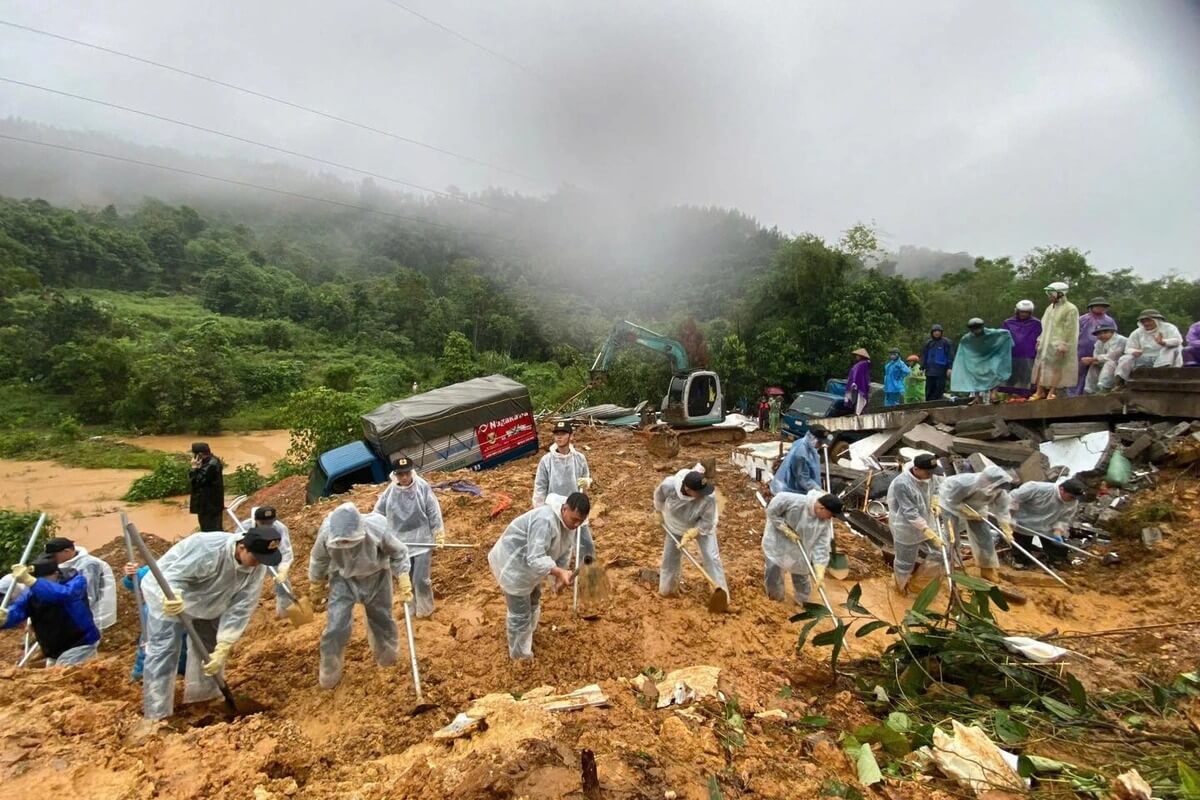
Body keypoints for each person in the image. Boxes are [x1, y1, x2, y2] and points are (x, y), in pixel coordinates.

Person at [140, 525, 281, 721]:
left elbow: (242, 606)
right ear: (242, 548)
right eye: (256, 558)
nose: (258, 564)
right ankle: (157, 715)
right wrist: (172, 594)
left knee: (210, 647)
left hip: (209, 603)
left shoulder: (256, 567)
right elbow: (170, 575)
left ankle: (204, 698)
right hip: (170, 596)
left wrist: (225, 643)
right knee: (164, 651)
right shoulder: (206, 548)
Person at [309, 502, 412, 688]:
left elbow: (399, 553)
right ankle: (329, 671)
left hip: (377, 577)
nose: (346, 545)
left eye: (350, 541)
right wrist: (316, 583)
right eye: (342, 542)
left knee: (382, 619)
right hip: (343, 581)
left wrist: (403, 575)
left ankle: (387, 658)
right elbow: (318, 559)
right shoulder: (326, 533)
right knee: (336, 625)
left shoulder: (376, 528)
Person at [488, 492, 589, 661]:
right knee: (520, 612)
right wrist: (558, 572)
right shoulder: (545, 520)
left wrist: (559, 579)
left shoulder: (570, 525)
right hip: (514, 564)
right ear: (564, 509)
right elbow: (534, 557)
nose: (576, 524)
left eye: (580, 521)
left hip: (531, 568)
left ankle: (529, 633)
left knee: (534, 597)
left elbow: (563, 551)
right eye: (574, 519)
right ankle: (520, 657)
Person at [373, 456, 445, 618]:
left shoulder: (422, 487)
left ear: (411, 472)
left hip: (422, 539)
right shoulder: (390, 492)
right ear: (395, 475)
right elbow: (377, 514)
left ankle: (425, 610)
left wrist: (438, 532)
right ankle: (411, 609)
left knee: (421, 579)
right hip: (400, 542)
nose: (404, 478)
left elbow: (432, 509)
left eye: (406, 473)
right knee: (407, 580)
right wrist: (378, 535)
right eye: (400, 475)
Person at [0, 554, 100, 666]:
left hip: (79, 644)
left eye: (42, 580)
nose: (39, 583)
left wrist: (32, 582)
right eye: (37, 580)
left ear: (56, 574)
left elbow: (59, 595)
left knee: (67, 679)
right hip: (53, 650)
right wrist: (6, 618)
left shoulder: (74, 581)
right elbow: (18, 610)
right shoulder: (32, 592)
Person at [761, 491, 845, 604]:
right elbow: (772, 511)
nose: (831, 518)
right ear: (821, 508)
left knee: (801, 571)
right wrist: (784, 528)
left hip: (801, 548)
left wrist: (819, 571)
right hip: (777, 542)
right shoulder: (792, 501)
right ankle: (776, 600)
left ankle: (802, 602)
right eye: (831, 514)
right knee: (774, 570)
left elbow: (821, 546)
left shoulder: (824, 523)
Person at [654, 469, 727, 598]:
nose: (703, 494)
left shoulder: (708, 497)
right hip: (675, 524)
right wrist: (658, 511)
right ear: (687, 489)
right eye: (699, 492)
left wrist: (693, 532)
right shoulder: (669, 486)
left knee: (711, 557)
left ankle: (721, 595)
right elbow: (659, 497)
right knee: (670, 557)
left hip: (701, 525)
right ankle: (668, 590)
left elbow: (708, 522)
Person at [937, 465, 1014, 584]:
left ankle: (986, 569)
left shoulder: (999, 491)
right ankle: (954, 564)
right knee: (952, 535)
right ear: (986, 480)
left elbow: (1002, 510)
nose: (998, 489)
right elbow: (952, 501)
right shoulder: (963, 484)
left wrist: (1006, 528)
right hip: (950, 504)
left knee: (984, 537)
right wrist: (965, 511)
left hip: (977, 507)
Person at [531, 422, 594, 561]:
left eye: (563, 434)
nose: (559, 438)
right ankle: (556, 574)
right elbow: (540, 486)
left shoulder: (579, 458)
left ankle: (587, 573)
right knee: (557, 547)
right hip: (555, 509)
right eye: (556, 435)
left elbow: (586, 477)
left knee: (586, 544)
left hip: (575, 508)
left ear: (570, 436)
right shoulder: (547, 461)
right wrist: (539, 509)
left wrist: (587, 481)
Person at [886, 453, 943, 594]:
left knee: (941, 551)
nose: (931, 475)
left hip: (928, 521)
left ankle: (920, 584)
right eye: (928, 472)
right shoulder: (902, 484)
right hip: (906, 527)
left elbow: (937, 486)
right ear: (916, 469)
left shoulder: (931, 475)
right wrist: (926, 529)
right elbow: (909, 512)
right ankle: (900, 587)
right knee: (905, 562)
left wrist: (936, 500)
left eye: (932, 472)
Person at [123, 561, 187, 681]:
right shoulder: (163, 566)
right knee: (149, 650)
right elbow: (136, 580)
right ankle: (140, 676)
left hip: (183, 621)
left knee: (181, 651)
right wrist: (131, 575)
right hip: (154, 622)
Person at [1009, 479, 1085, 569]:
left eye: (1076, 498)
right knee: (1021, 547)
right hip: (1024, 522)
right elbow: (1013, 498)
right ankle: (1020, 561)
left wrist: (1058, 531)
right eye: (1071, 497)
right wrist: (1010, 516)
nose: (1074, 500)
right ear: (1062, 489)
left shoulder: (1073, 502)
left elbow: (1064, 518)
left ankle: (1055, 562)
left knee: (1058, 547)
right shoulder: (1036, 488)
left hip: (1048, 525)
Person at [44, 537, 117, 630]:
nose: (52, 558)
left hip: (96, 617)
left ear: (67, 551)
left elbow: (89, 595)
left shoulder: (89, 565)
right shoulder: (69, 564)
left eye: (54, 555)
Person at [1031, 282, 1080, 400]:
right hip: (1046, 342)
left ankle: (1052, 392)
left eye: (1051, 293)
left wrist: (1064, 344)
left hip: (1058, 343)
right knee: (1041, 365)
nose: (1049, 296)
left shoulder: (1070, 309)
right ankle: (1039, 391)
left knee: (1057, 367)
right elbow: (1045, 325)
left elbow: (1071, 329)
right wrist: (1040, 339)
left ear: (1060, 293)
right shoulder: (1050, 308)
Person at [950, 319, 1013, 405]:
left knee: (995, 371)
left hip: (991, 357)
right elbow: (963, 348)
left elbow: (1004, 334)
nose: (976, 331)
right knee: (974, 373)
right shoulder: (967, 338)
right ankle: (977, 397)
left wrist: (1007, 337)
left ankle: (993, 394)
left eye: (978, 328)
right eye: (974, 329)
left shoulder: (990, 333)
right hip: (977, 359)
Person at [1114, 310, 1184, 386]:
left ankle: (1164, 375)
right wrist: (1134, 351)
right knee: (1125, 358)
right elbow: (1129, 348)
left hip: (1165, 357)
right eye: (1143, 321)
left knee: (1173, 348)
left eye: (1149, 321)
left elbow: (1178, 341)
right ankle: (1120, 382)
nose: (1146, 323)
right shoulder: (1137, 332)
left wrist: (1163, 342)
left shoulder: (1169, 328)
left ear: (1156, 320)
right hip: (1145, 357)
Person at [250, 507, 295, 619]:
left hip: (271, 555)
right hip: (249, 557)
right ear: (255, 520)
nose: (267, 526)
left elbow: (286, 551)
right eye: (263, 523)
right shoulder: (245, 528)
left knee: (283, 584)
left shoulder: (279, 528)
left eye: (270, 522)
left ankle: (285, 614)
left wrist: (283, 568)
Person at [1073, 298, 1117, 396]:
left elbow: (1114, 334)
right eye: (1097, 306)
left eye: (1102, 306)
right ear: (1091, 307)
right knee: (1078, 372)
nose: (1099, 308)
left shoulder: (1109, 320)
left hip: (1101, 349)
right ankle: (1075, 394)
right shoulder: (1083, 319)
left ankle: (1094, 392)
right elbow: (1074, 333)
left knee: (1097, 370)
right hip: (1082, 349)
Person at [998, 300, 1042, 398]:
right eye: (1022, 311)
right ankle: (1007, 397)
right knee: (1009, 381)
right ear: (1017, 311)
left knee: (1026, 381)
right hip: (1011, 356)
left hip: (1029, 356)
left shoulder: (1036, 323)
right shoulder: (1008, 322)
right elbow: (1002, 338)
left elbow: (1040, 338)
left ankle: (1025, 398)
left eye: (1026, 312)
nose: (1024, 314)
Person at [769, 424, 827, 496]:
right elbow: (803, 479)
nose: (821, 445)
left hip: (796, 487)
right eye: (820, 442)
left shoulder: (808, 446)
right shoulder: (800, 454)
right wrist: (819, 492)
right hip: (786, 491)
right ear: (812, 438)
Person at [188, 442, 225, 532]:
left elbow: (197, 481)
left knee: (210, 529)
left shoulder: (211, 465)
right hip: (208, 504)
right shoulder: (209, 462)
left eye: (194, 454)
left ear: (199, 454)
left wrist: (194, 468)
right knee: (210, 528)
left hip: (209, 505)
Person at [1083, 323, 1127, 394]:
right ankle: (1091, 390)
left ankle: (1104, 387)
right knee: (1094, 366)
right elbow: (1096, 357)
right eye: (1099, 334)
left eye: (1105, 332)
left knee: (1110, 363)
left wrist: (1093, 359)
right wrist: (1090, 361)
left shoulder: (1120, 340)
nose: (1102, 335)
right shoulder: (1099, 343)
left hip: (1122, 365)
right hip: (1107, 364)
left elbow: (1112, 356)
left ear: (1112, 332)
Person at [921, 325, 955, 401]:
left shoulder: (946, 342)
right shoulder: (928, 343)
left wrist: (950, 367)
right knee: (929, 389)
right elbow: (924, 355)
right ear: (932, 333)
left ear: (941, 333)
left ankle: (938, 404)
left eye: (938, 331)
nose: (936, 333)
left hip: (941, 370)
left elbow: (950, 355)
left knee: (939, 389)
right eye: (935, 331)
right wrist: (922, 367)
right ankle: (929, 405)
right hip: (930, 370)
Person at [845, 348, 871, 415]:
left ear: (861, 356)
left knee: (858, 399)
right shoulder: (861, 364)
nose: (856, 357)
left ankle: (858, 412)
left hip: (858, 385)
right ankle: (858, 412)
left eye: (858, 355)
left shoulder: (862, 364)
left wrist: (854, 382)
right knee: (856, 400)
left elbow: (858, 375)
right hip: (857, 385)